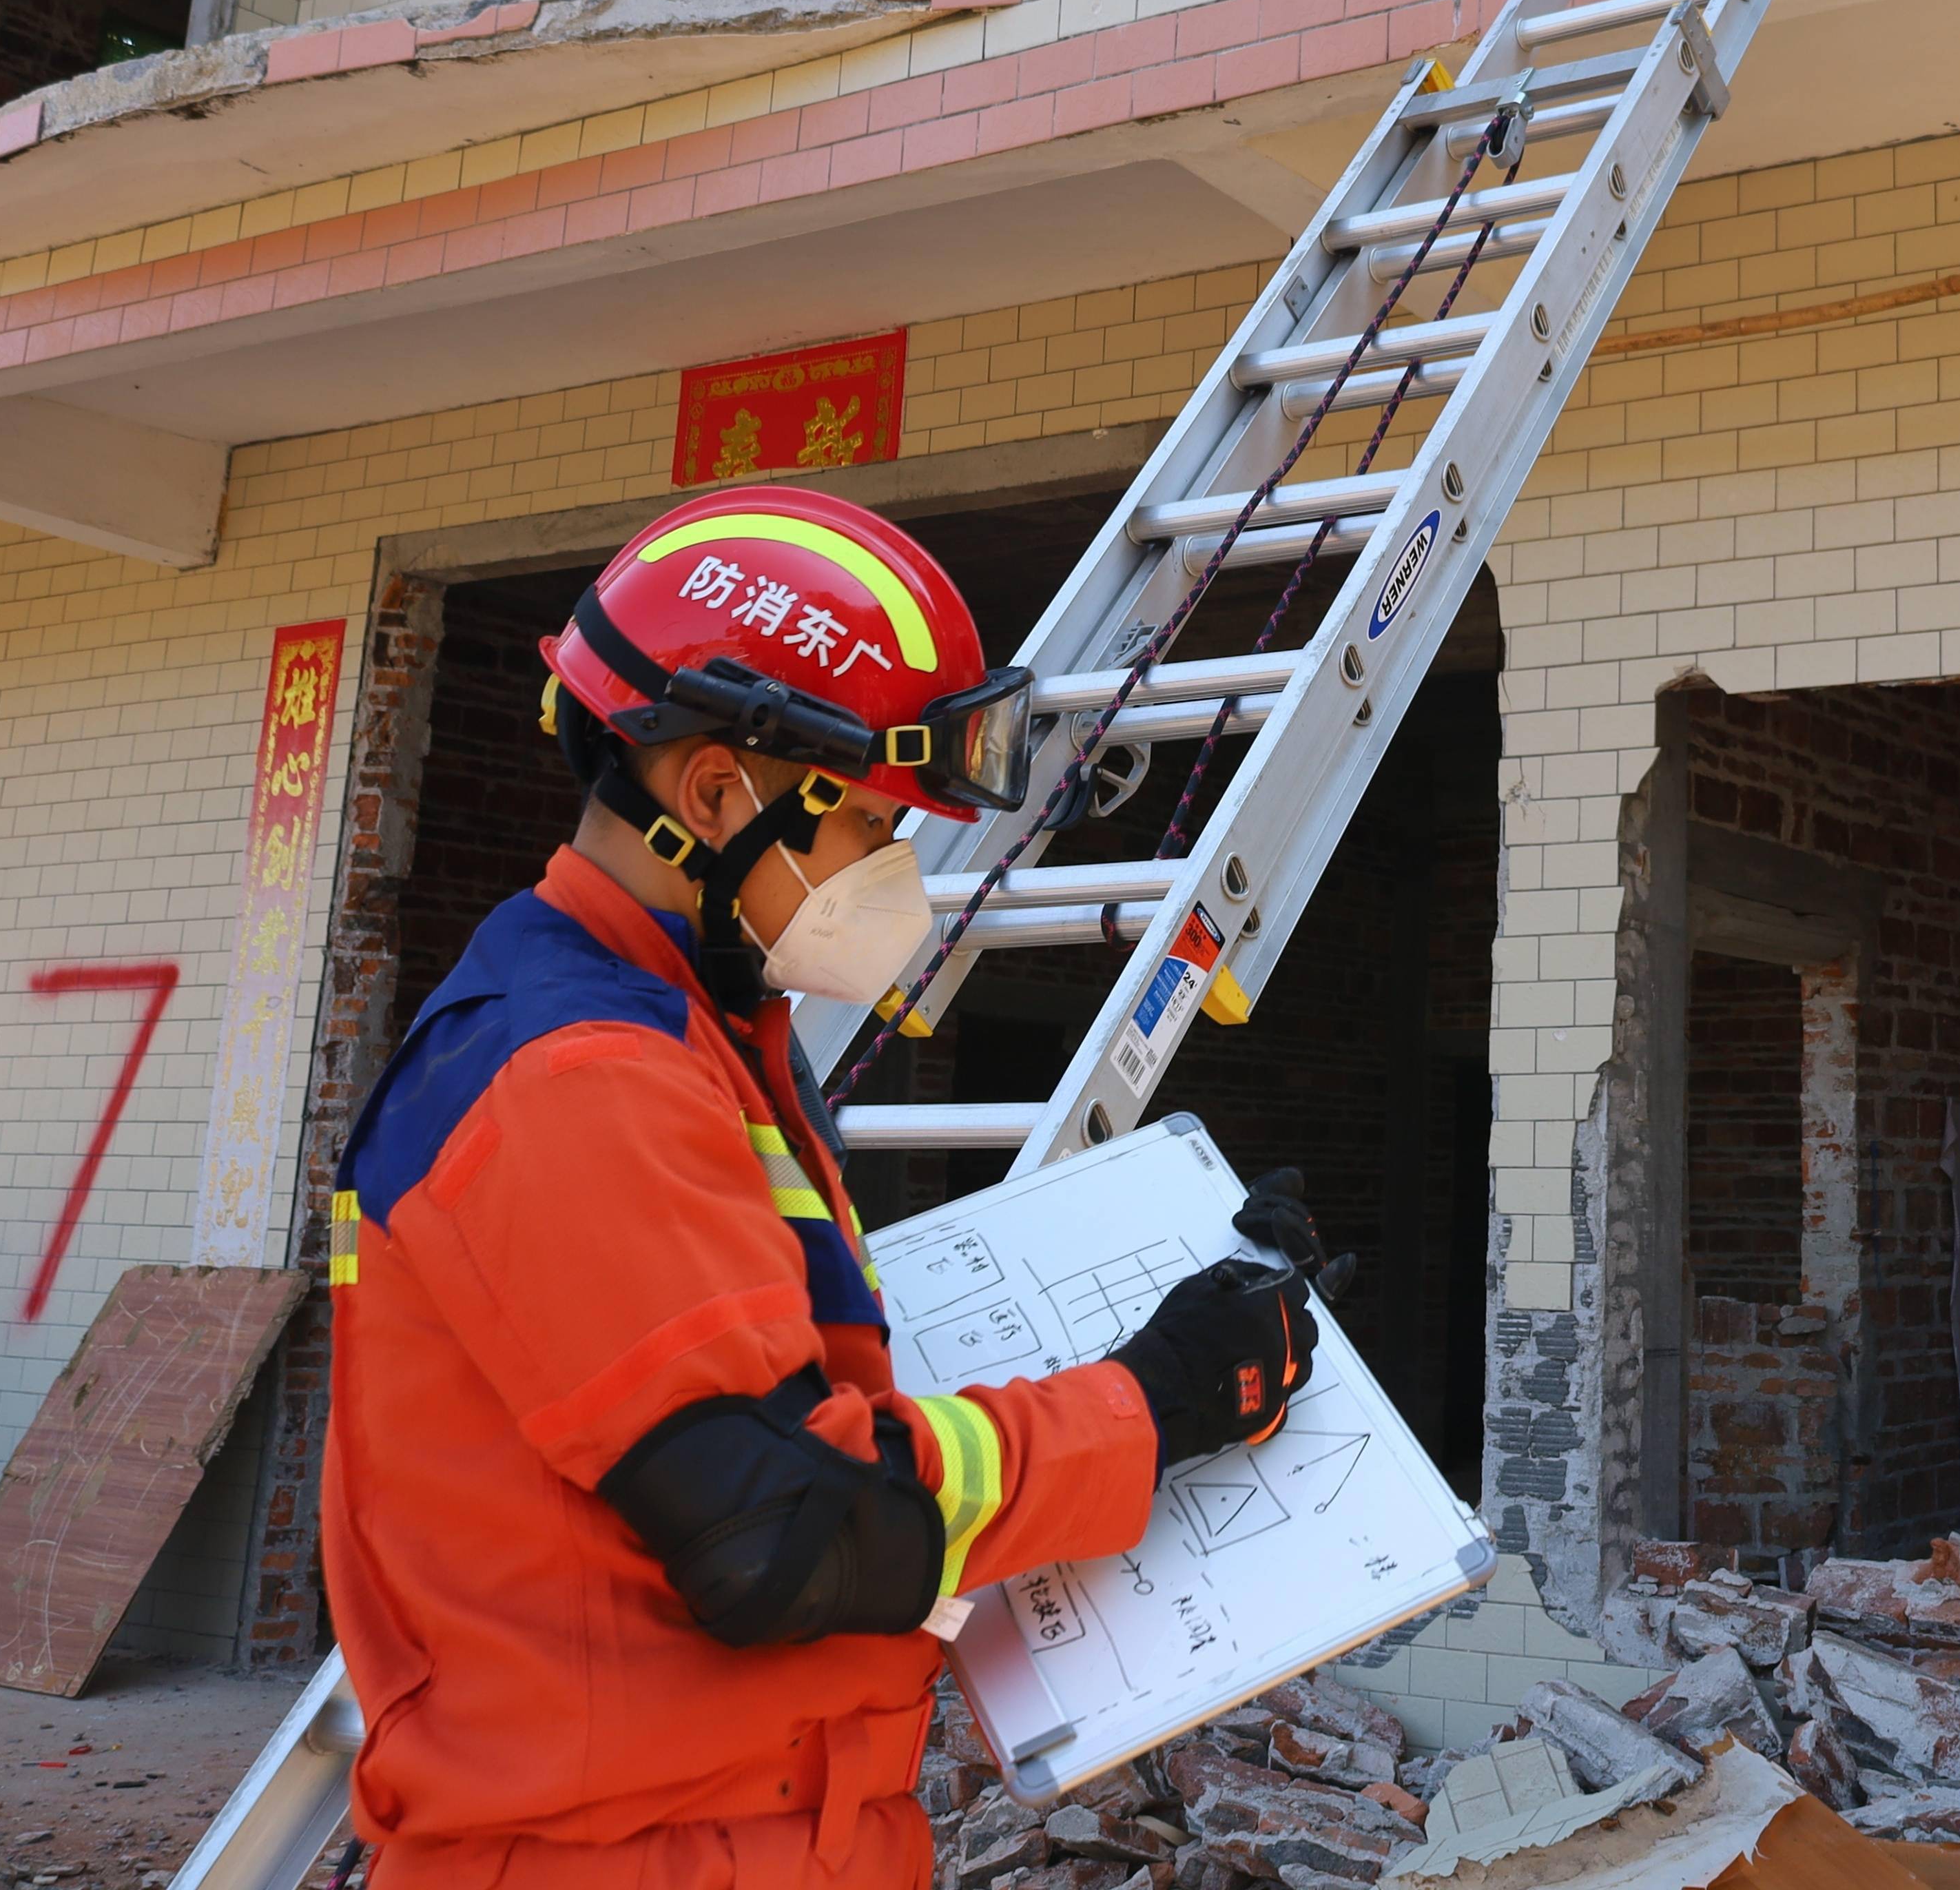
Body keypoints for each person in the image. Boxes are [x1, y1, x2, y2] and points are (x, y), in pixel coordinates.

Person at [322, 484, 1328, 1890]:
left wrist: (1181, 1315)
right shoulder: (574, 1074)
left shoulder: (685, 1037)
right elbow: (787, 1532)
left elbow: (784, 1402)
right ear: (718, 791)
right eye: (864, 820)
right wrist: (1155, 1398)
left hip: (744, 1834)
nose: (896, 875)